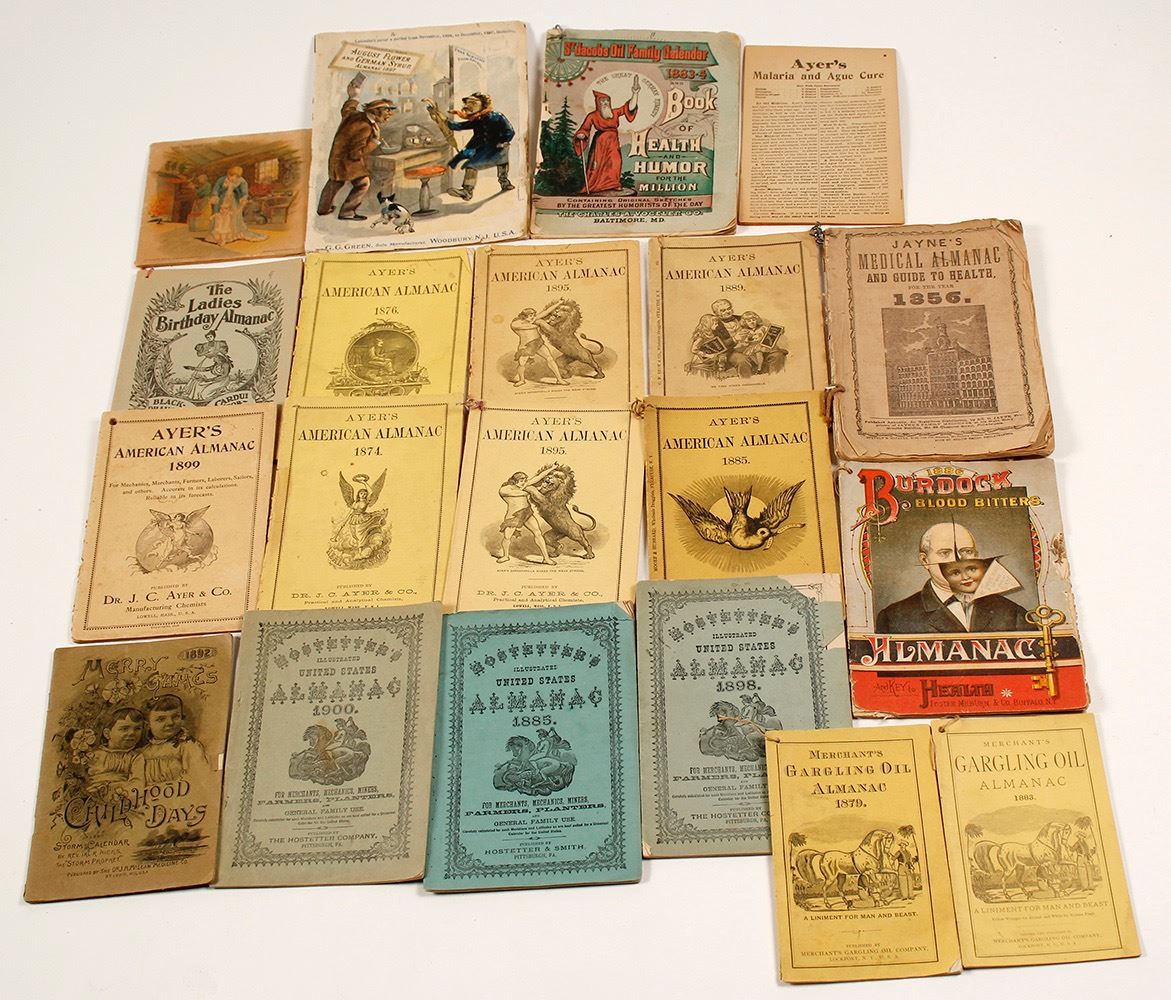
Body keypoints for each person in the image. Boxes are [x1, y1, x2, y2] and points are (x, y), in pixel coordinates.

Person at [875, 522, 1033, 634]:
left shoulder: (1012, 613)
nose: (958, 561)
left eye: (967, 551)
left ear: (976, 556)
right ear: (925, 561)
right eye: (945, 553)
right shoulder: (894, 618)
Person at [317, 78, 396, 221]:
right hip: (348, 163)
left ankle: (323, 209)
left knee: (335, 182)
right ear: (377, 112)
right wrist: (374, 141)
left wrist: (353, 97)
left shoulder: (355, 115)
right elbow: (356, 153)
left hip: (336, 160)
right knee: (363, 183)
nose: (389, 117)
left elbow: (347, 110)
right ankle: (347, 212)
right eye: (387, 113)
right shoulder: (365, 127)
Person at [427, 92, 515, 201]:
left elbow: (510, 131)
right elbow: (456, 126)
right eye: (468, 103)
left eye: (473, 103)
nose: (469, 105)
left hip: (498, 147)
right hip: (482, 149)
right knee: (471, 165)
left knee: (502, 163)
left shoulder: (498, 116)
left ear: (483, 104)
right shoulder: (476, 119)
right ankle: (467, 191)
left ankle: (504, 182)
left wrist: (503, 141)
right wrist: (437, 114)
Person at [573, 80, 639, 194]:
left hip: (613, 142)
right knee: (598, 164)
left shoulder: (614, 113)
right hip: (600, 143)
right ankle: (596, 186)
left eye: (607, 101)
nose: (605, 103)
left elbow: (629, 108)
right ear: (598, 103)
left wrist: (635, 93)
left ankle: (614, 184)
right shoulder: (593, 115)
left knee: (615, 162)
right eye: (602, 101)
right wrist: (581, 134)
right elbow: (585, 128)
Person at [130, 695, 210, 786]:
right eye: (161, 719)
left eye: (175, 717)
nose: (170, 723)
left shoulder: (188, 746)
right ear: (148, 725)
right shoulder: (142, 753)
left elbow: (199, 778)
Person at [495, 468, 559, 564]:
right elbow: (517, 493)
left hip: (527, 513)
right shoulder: (504, 489)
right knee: (507, 536)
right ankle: (505, 556)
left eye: (525, 481)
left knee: (538, 533)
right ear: (514, 481)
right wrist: (533, 490)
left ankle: (546, 558)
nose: (524, 483)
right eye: (521, 481)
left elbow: (538, 477)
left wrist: (552, 468)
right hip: (514, 516)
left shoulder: (523, 485)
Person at [206, 165, 267, 246]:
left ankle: (231, 235)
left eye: (236, 176)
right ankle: (218, 236)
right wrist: (215, 195)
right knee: (220, 219)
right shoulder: (221, 179)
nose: (232, 178)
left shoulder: (242, 181)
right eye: (230, 175)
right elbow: (216, 189)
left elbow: (244, 193)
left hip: (234, 201)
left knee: (231, 217)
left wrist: (243, 198)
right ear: (228, 174)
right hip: (221, 201)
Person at [510, 304, 568, 386]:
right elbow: (527, 327)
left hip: (538, 343)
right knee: (522, 364)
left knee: (550, 359)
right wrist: (540, 323)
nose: (533, 317)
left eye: (534, 315)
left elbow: (546, 312)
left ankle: (559, 379)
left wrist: (559, 303)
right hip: (526, 346)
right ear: (524, 316)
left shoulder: (533, 320)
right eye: (530, 316)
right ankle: (521, 380)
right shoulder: (515, 324)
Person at [87, 707, 145, 788]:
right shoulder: (95, 755)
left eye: (137, 728)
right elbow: (88, 781)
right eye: (124, 728)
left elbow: (137, 783)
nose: (132, 733)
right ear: (107, 734)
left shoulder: (135, 757)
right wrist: (110, 777)